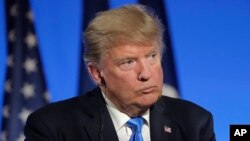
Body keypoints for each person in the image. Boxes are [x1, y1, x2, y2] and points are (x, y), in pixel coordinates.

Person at [24, 4, 215, 141]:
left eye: (152, 56)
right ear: (96, 73)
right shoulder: (52, 127)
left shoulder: (194, 122)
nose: (146, 74)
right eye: (128, 62)